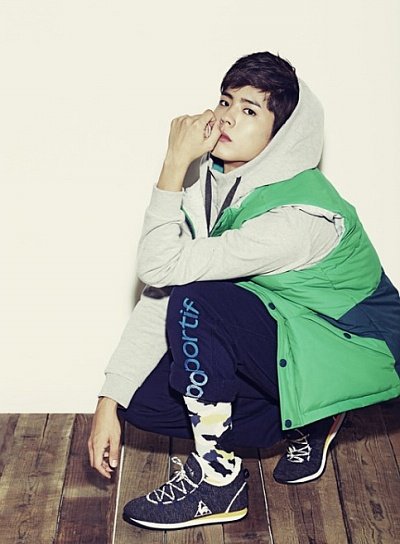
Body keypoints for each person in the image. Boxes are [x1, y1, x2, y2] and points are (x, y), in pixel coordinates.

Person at [88, 51, 400, 530]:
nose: (228, 116)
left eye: (250, 110)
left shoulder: (298, 218)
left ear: (283, 136)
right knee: (142, 398)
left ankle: (219, 479)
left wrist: (173, 163)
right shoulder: (218, 188)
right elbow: (161, 288)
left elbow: (163, 267)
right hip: (295, 333)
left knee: (198, 299)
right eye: (226, 101)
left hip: (355, 350)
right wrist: (110, 399)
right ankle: (306, 418)